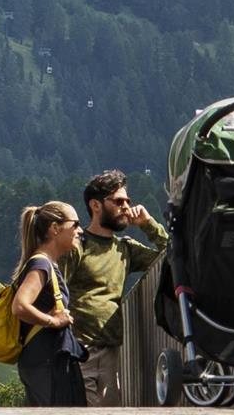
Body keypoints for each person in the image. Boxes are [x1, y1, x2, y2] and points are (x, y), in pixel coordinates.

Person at [63, 169, 168, 405]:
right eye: (118, 201)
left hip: (112, 350)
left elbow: (171, 258)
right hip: (79, 350)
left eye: (127, 201)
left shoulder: (125, 249)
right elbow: (56, 289)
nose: (126, 206)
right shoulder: (77, 246)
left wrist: (148, 225)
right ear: (96, 205)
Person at [11, 201, 88, 406]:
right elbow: (20, 306)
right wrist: (53, 321)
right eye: (75, 224)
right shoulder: (41, 264)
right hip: (45, 361)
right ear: (55, 228)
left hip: (43, 360)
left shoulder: (47, 264)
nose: (80, 231)